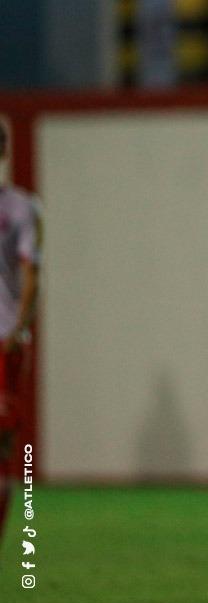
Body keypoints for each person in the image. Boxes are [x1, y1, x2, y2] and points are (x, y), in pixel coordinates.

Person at [0, 122, 41, 545]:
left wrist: (19, 326)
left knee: (4, 443)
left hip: (4, 339)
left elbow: (32, 272)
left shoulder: (20, 208)